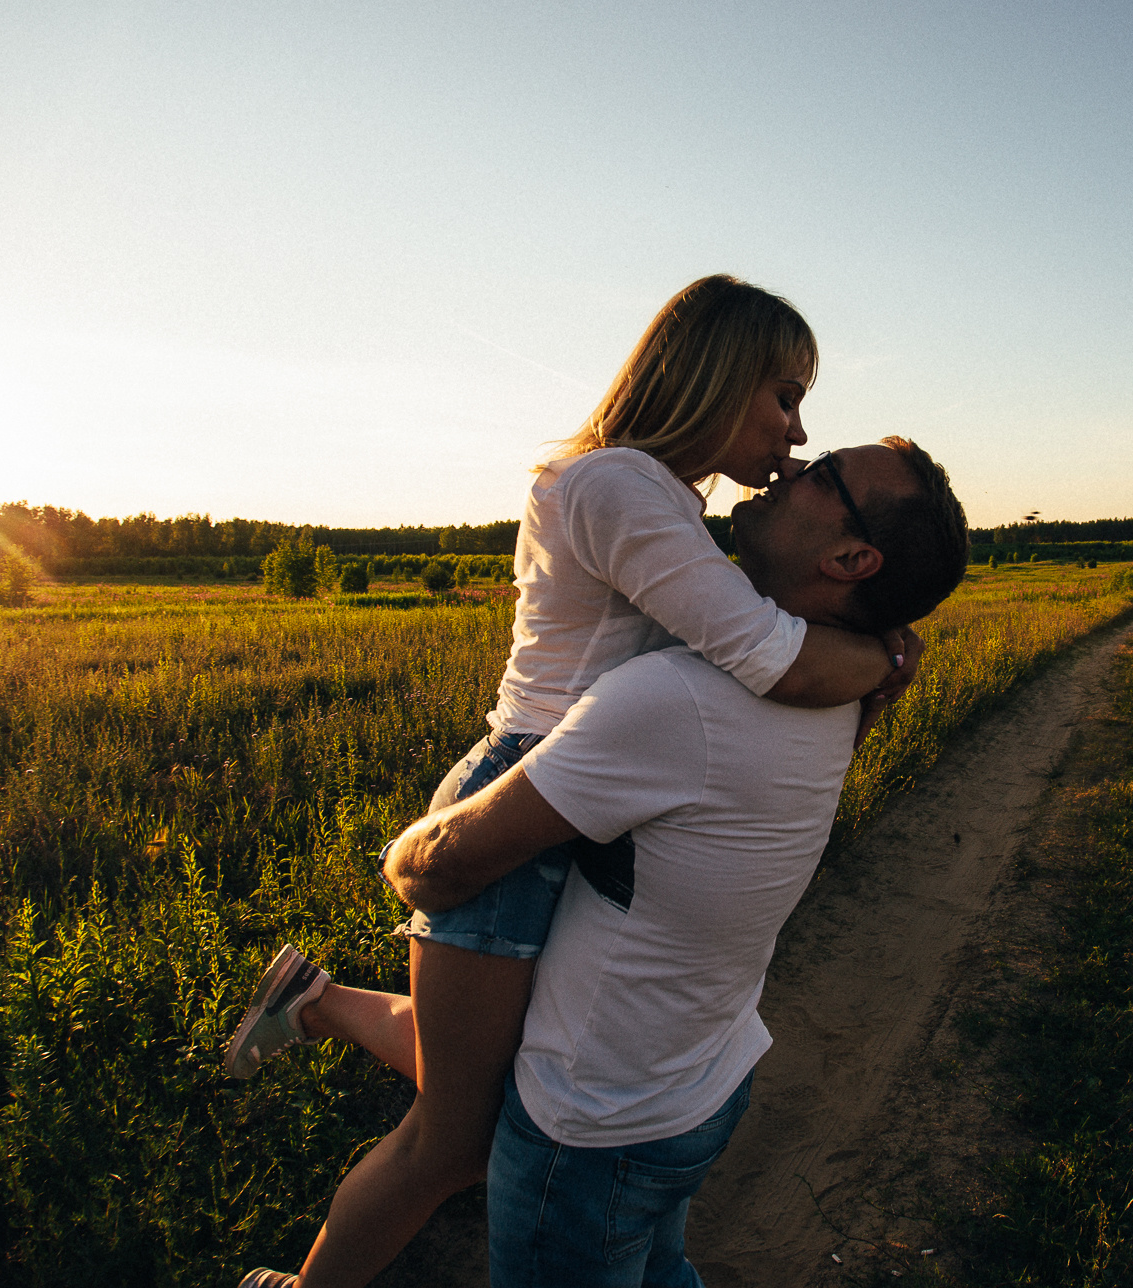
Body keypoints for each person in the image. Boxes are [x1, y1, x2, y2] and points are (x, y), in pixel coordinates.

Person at [223, 277, 922, 1288]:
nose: (796, 428)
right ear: (716, 374)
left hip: (581, 793)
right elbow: (764, 651)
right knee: (453, 1141)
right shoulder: (617, 488)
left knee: (501, 1067)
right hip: (527, 793)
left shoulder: (658, 496)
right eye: (783, 393)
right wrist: (886, 661)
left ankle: (313, 999)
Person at [384, 436, 969, 1286]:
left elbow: (438, 869)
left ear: (851, 557)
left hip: (592, 1125)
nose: (788, 467)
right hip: (699, 1081)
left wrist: (398, 853)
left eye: (822, 473)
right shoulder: (845, 690)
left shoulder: (678, 699)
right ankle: (319, 1005)